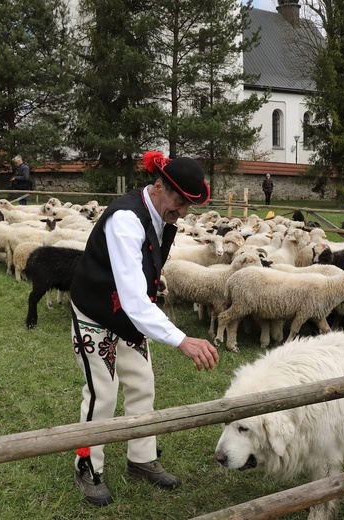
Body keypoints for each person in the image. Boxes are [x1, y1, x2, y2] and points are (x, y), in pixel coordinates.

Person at [68, 150, 220, 508]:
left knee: (142, 383)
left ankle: (141, 458)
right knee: (101, 393)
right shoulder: (126, 219)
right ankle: (87, 466)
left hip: (128, 315)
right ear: (158, 186)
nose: (183, 212)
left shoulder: (159, 216)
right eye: (180, 201)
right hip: (95, 309)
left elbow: (139, 287)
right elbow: (133, 297)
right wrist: (182, 339)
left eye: (189, 205)